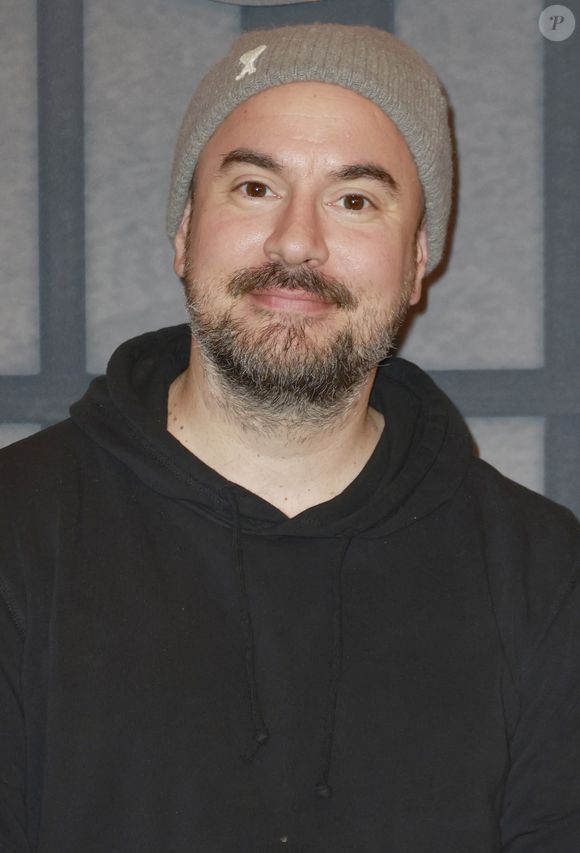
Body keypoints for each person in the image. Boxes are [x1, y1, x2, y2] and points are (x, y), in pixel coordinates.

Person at [1, 22, 579, 853]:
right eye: (255, 188)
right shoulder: (17, 530)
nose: (296, 243)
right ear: (183, 229)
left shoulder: (545, 575)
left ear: (418, 261)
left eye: (354, 200)